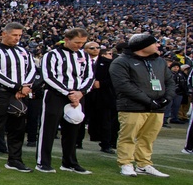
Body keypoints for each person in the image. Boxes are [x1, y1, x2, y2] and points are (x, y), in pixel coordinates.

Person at [109, 33, 174, 177]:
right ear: (143, 46)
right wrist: (148, 100)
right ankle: (125, 163)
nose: (158, 45)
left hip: (157, 107)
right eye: (155, 43)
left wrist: (166, 99)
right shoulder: (121, 62)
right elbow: (123, 85)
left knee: (149, 137)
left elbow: (170, 81)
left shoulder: (160, 61)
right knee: (128, 135)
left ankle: (144, 163)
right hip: (132, 106)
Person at [36, 28, 95, 174]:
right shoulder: (52, 55)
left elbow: (90, 76)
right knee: (48, 129)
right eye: (77, 42)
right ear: (67, 40)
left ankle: (69, 162)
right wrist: (68, 93)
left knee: (73, 129)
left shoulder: (84, 56)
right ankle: (43, 162)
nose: (79, 46)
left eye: (82, 43)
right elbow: (48, 76)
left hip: (77, 96)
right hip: (56, 95)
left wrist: (80, 92)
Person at [0, 22, 37, 173]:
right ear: (4, 34)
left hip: (21, 94)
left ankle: (15, 160)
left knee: (18, 128)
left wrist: (25, 87)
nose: (17, 38)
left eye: (19, 35)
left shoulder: (24, 52)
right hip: (1, 93)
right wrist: (18, 87)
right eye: (14, 35)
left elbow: (32, 69)